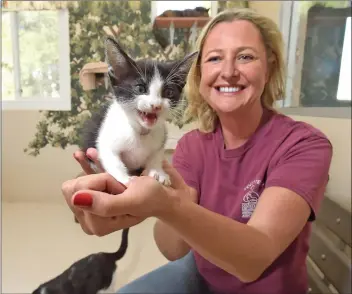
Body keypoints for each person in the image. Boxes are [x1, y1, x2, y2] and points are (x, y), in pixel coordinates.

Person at [62, 8, 333, 294]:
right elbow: (174, 249)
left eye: (245, 56)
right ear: (200, 76)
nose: (228, 72)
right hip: (200, 274)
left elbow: (254, 261)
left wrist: (169, 206)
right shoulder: (193, 145)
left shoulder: (303, 144)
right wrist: (152, 201)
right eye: (215, 58)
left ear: (270, 67)